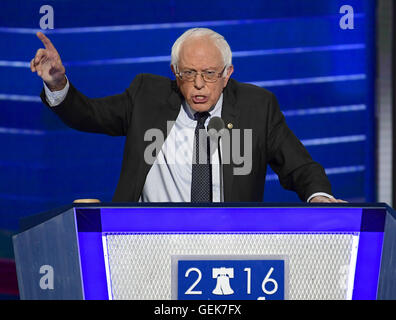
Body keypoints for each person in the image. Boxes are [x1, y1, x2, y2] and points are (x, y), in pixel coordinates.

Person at [30, 28, 345, 203]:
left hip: (229, 246)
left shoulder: (257, 107)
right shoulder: (147, 96)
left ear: (227, 74)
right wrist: (57, 83)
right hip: (147, 242)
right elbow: (89, 115)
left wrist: (320, 198)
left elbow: (301, 167)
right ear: (174, 72)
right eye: (188, 73)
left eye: (209, 74)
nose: (198, 84)